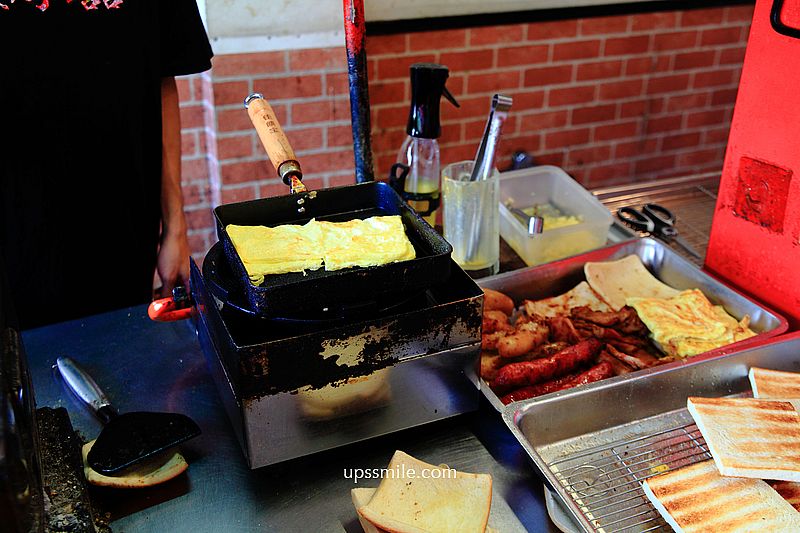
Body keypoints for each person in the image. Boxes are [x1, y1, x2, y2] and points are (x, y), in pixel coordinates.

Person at [0, 0, 213, 329]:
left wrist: (175, 228)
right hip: (14, 239)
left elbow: (160, 78)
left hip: (120, 234)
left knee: (118, 363)